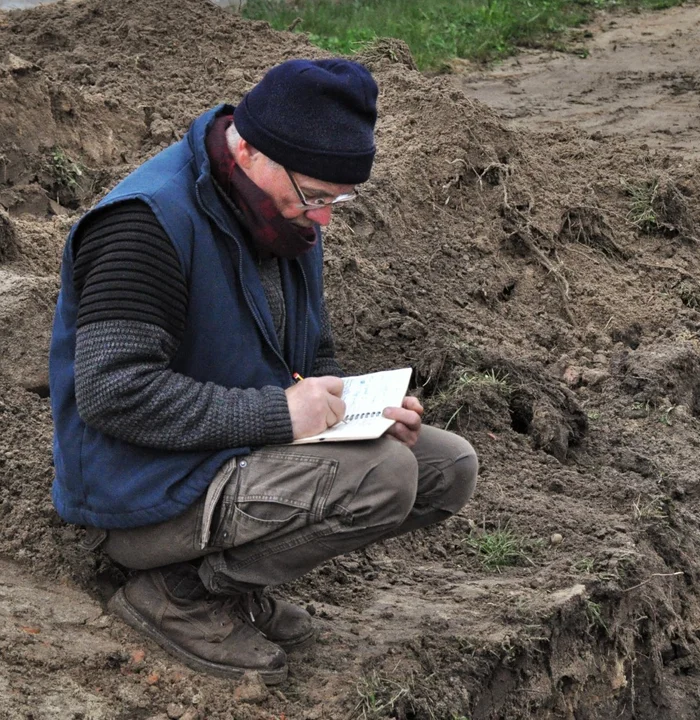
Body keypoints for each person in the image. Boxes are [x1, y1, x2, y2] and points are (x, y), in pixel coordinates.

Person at [47, 59, 478, 684]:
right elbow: (113, 393)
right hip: (139, 493)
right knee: (382, 478)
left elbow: (311, 356)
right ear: (249, 151)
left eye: (338, 199)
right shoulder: (145, 224)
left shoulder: (285, 220)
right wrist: (280, 414)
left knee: (446, 468)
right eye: (316, 196)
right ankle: (177, 590)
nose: (325, 217)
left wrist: (360, 408)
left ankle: (225, 583)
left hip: (231, 457)